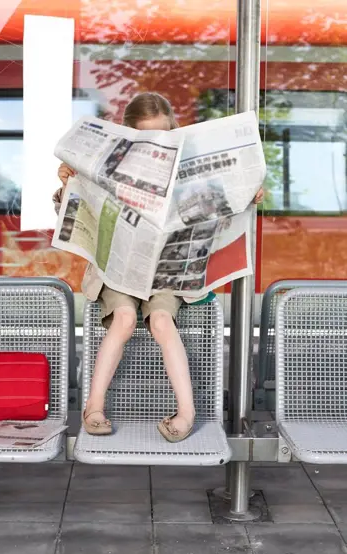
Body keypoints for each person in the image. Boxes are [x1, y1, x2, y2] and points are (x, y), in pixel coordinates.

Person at [54, 92, 264, 442]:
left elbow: (217, 207)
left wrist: (250, 195)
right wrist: (67, 185)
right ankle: (94, 407)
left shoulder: (186, 163)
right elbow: (75, 211)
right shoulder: (108, 164)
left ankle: (186, 413)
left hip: (166, 269)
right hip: (119, 270)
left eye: (164, 136)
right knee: (124, 319)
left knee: (163, 321)